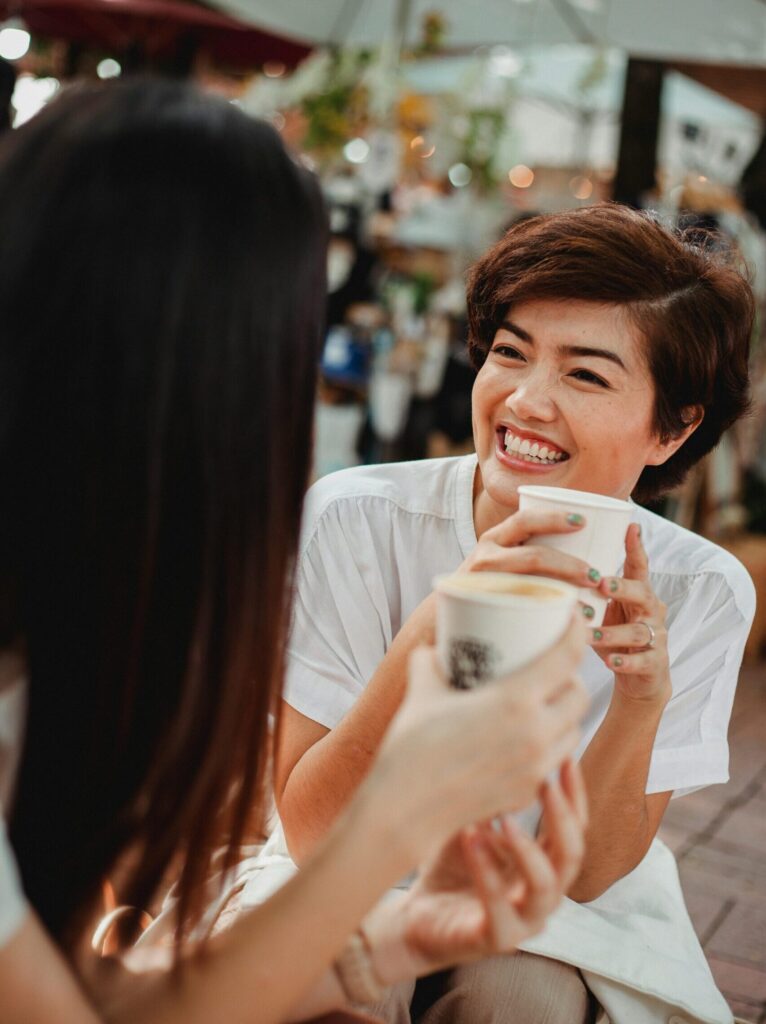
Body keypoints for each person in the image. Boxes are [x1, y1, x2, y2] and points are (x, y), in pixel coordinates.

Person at [0, 78, 591, 1024]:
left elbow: (87, 993)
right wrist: (399, 805)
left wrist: (417, 931)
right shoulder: (353, 516)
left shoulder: (76, 629)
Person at [268, 204, 756, 1024]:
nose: (524, 401)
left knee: (521, 996)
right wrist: (429, 637)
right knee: (345, 974)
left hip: (546, 908)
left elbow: (590, 875)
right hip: (345, 869)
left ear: (672, 429)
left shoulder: (701, 590)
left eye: (586, 374)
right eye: (509, 353)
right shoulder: (360, 519)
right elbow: (312, 831)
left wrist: (639, 701)